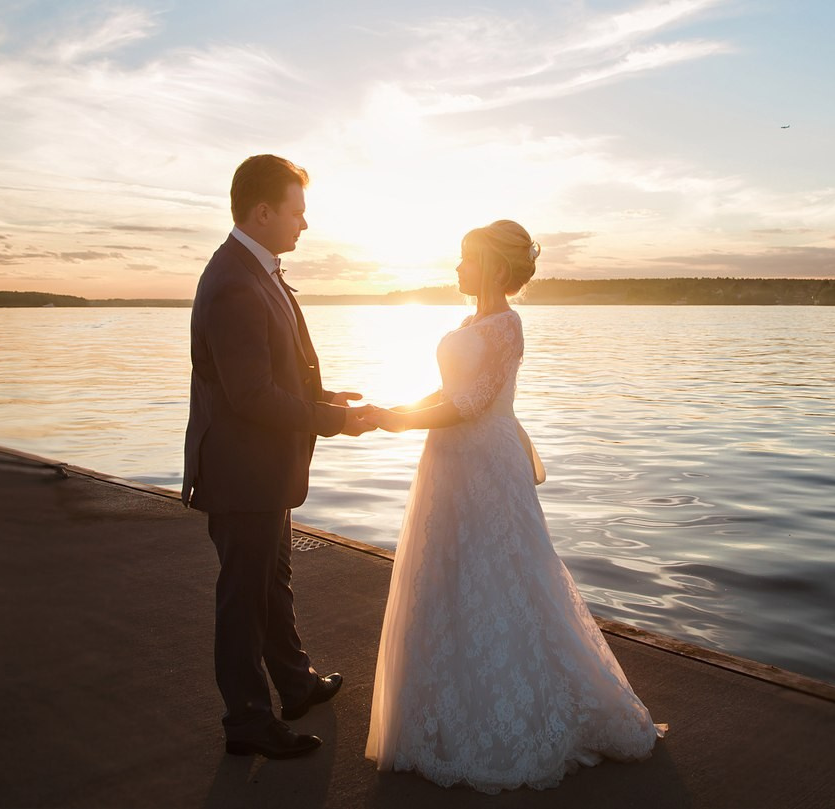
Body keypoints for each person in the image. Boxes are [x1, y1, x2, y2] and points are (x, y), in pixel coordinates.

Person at [363, 220, 664, 792]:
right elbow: (448, 394)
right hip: (447, 462)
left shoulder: (506, 325)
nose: (456, 268)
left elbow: (473, 403)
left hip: (486, 463)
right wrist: (392, 406)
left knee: (506, 574)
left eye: (465, 258)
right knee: (448, 573)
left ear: (494, 268)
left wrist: (394, 421)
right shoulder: (471, 322)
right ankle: (444, 706)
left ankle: (525, 713)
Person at [183, 154, 376, 759]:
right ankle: (246, 720)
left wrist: (320, 394)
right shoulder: (235, 282)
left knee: (273, 581)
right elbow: (252, 397)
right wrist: (334, 422)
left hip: (263, 468)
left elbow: (272, 370)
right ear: (262, 212)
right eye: (297, 212)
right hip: (243, 472)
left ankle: (294, 684)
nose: (305, 225)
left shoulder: (257, 270)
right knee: (244, 597)